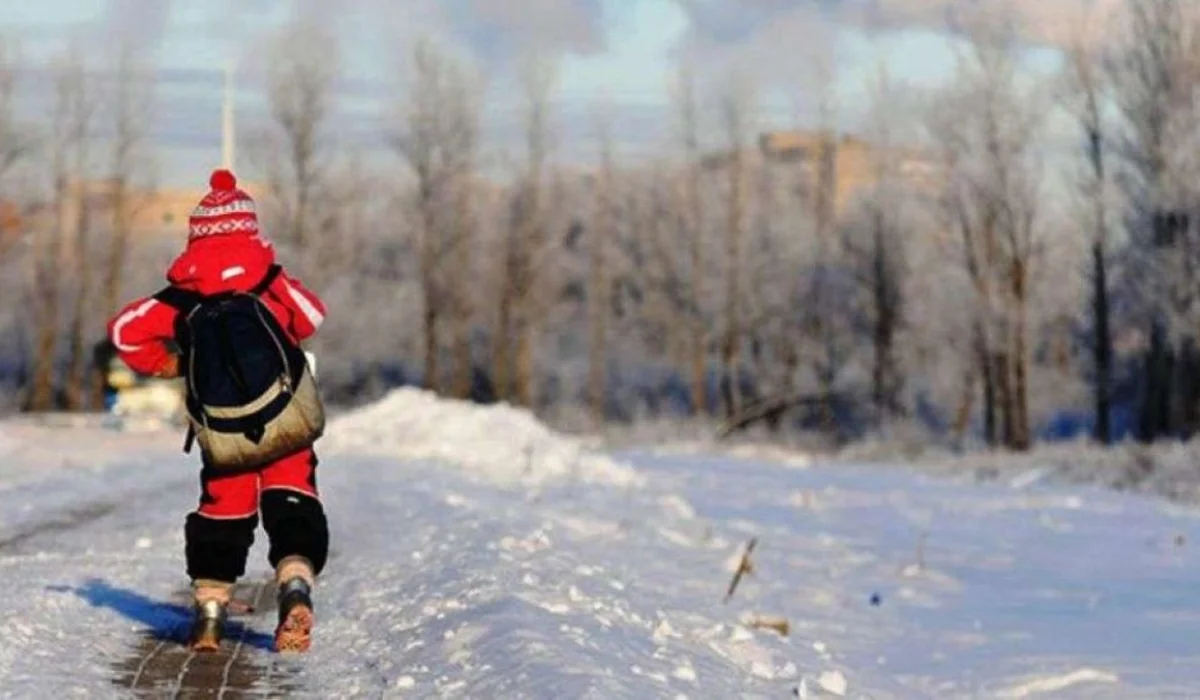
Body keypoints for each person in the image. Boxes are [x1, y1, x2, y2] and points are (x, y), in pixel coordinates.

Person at [106, 169, 330, 653]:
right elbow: (312, 316)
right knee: (293, 499)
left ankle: (209, 615)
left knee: (223, 510)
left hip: (223, 433)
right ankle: (294, 589)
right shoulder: (268, 279)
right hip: (287, 420)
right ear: (249, 230)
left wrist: (168, 362)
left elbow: (124, 331)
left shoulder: (183, 294)